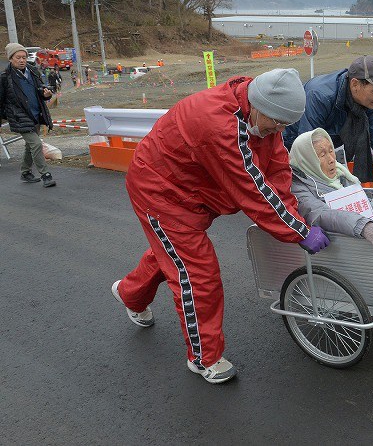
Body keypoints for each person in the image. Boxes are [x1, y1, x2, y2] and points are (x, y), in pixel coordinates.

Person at [110, 68, 330, 384]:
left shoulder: (262, 112)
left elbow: (277, 167)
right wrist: (299, 231)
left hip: (193, 189)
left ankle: (130, 294)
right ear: (260, 106)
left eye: (285, 125)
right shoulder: (221, 126)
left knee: (173, 255)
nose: (278, 130)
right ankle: (204, 358)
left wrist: (294, 216)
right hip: (160, 190)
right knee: (198, 274)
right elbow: (253, 190)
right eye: (276, 123)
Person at [283, 55, 373, 191]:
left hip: (328, 148)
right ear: (355, 84)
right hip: (292, 146)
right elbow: (308, 148)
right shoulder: (319, 96)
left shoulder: (371, 101)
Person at [0, 43, 56, 187]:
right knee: (36, 144)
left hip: (36, 114)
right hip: (19, 117)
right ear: (11, 59)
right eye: (18, 57)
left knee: (30, 146)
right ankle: (46, 175)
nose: (22, 60)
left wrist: (45, 94)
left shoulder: (33, 71)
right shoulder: (5, 77)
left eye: (24, 57)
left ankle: (25, 172)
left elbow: (40, 90)